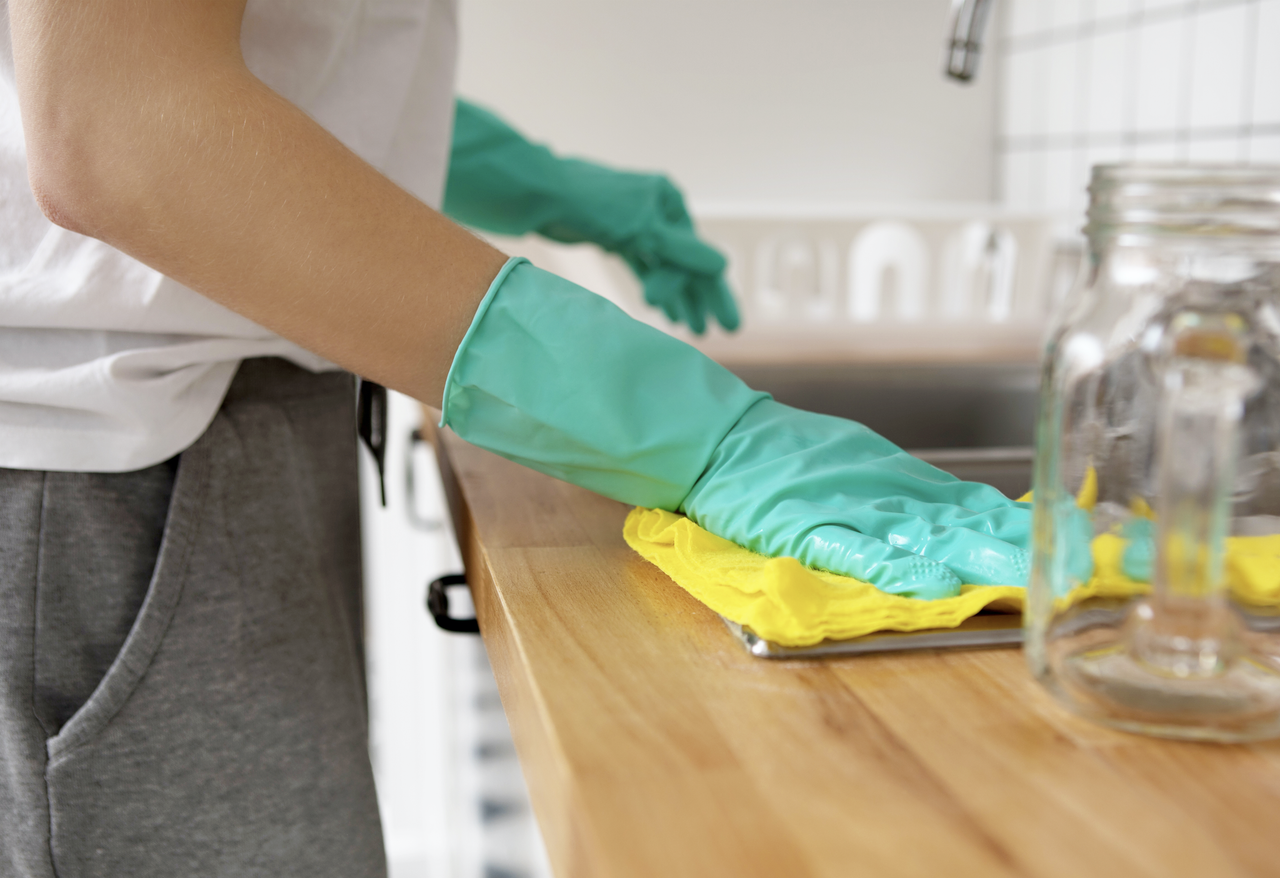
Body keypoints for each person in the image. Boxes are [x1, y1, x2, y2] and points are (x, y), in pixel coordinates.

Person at [0, 2, 1030, 876]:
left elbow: (278, 59)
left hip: (167, 463)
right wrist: (704, 432)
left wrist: (552, 184)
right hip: (92, 497)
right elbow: (121, 124)